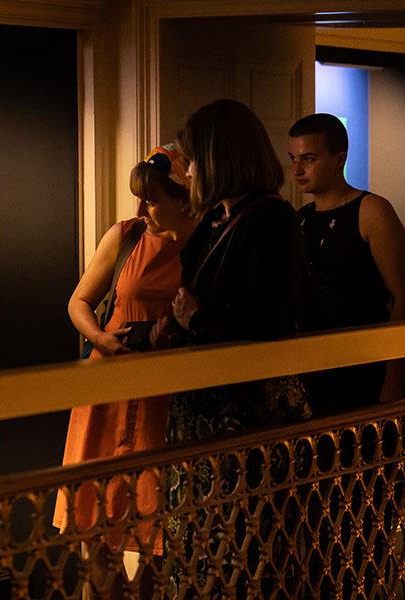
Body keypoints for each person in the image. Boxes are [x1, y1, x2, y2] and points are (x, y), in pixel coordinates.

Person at [163, 99, 311, 597]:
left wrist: (196, 318)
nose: (188, 170)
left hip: (245, 419)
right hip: (201, 415)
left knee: (242, 550)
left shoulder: (272, 220)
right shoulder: (213, 220)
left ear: (220, 158)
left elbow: (266, 320)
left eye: (195, 159)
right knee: (197, 546)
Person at [54, 144, 196, 557]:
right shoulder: (126, 235)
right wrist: (100, 338)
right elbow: (78, 301)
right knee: (98, 518)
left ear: (182, 199)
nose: (143, 208)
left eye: (153, 200)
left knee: (157, 527)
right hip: (109, 386)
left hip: (164, 392)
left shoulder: (204, 244)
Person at [288, 113, 405, 412]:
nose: (297, 169)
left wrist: (394, 378)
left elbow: (402, 296)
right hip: (314, 368)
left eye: (309, 159)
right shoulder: (301, 219)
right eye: (293, 158)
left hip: (365, 367)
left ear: (338, 159)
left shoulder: (371, 211)